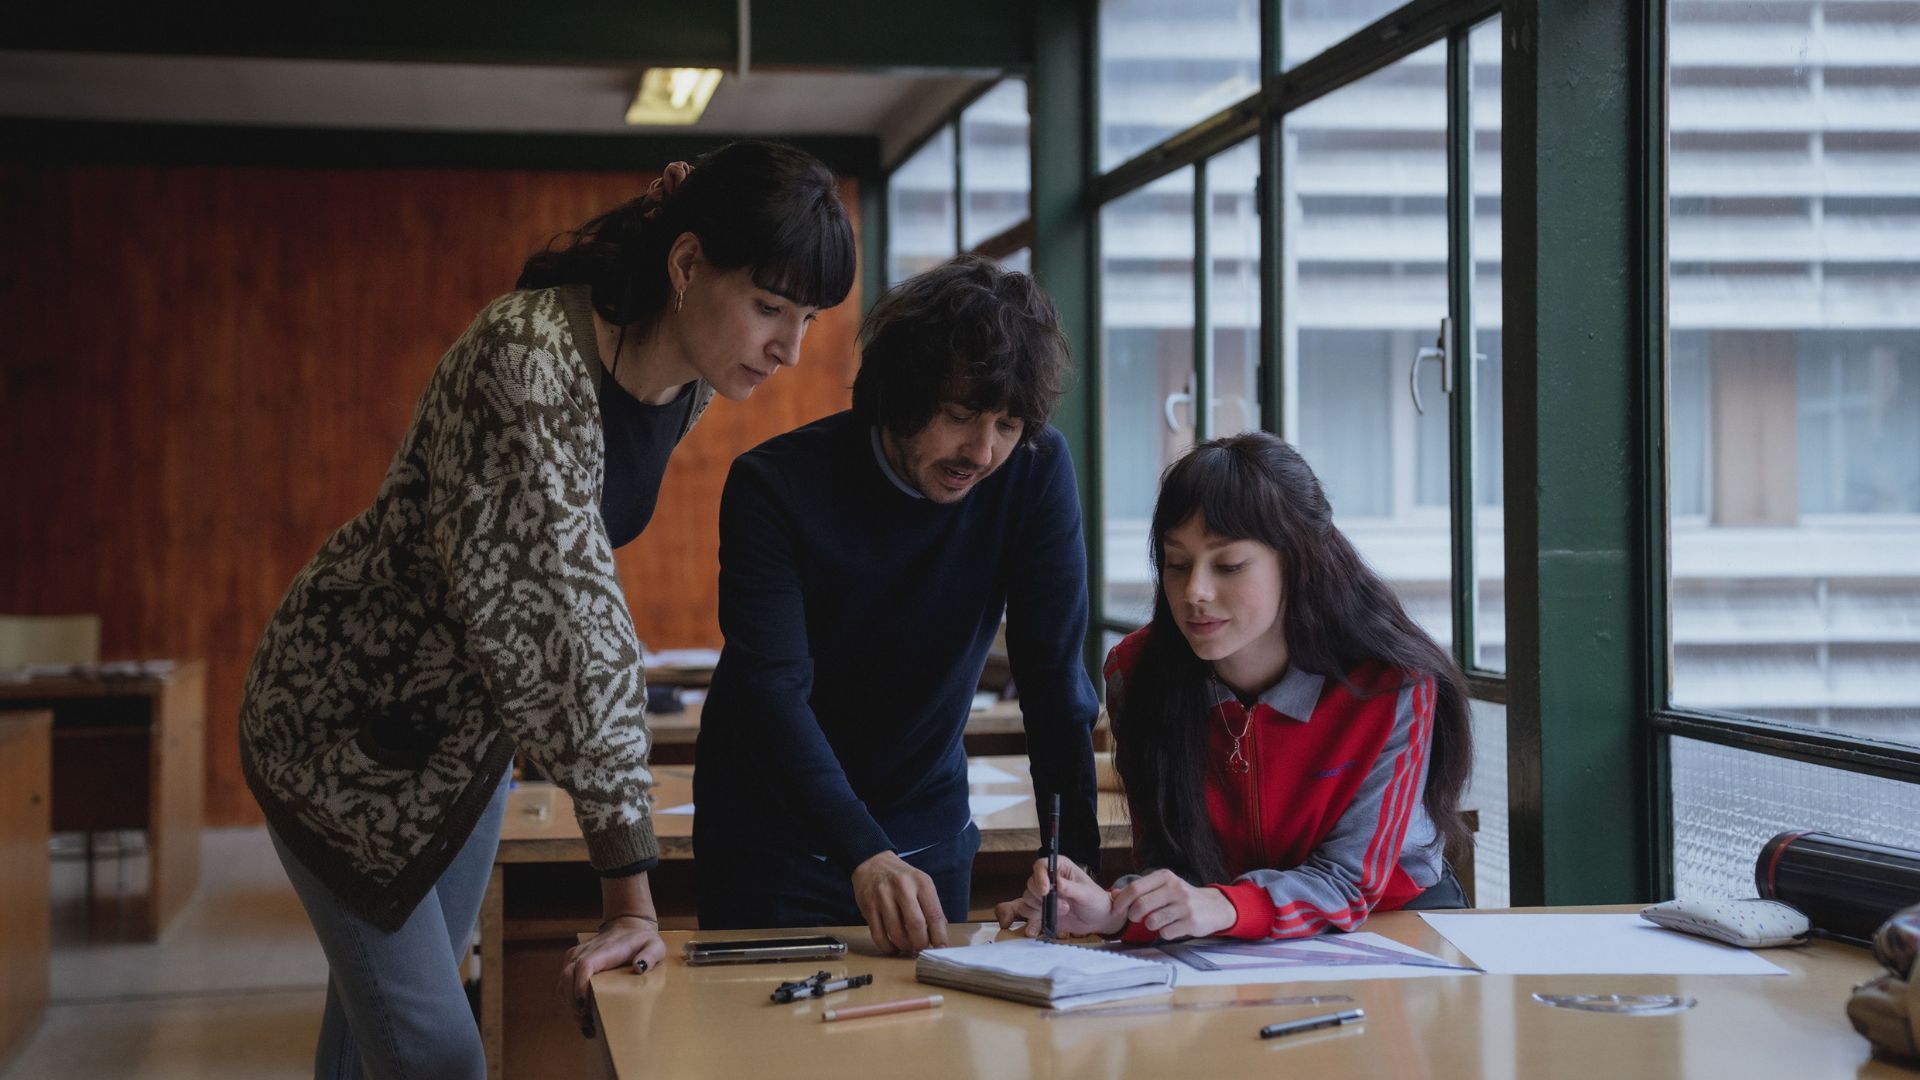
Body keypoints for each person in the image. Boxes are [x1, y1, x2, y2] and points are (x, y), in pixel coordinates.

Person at [239, 140, 854, 1078]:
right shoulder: (527, 360)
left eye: (808, 316)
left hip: (462, 734)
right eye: (770, 307)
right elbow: (567, 613)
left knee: (377, 1039)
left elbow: (568, 588)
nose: (791, 347)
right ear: (686, 265)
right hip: (343, 730)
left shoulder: (683, 382)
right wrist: (630, 898)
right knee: (438, 1054)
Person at [693, 254, 1101, 955]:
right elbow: (773, 692)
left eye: (1007, 424)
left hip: (926, 828)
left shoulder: (1033, 471)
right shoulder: (776, 486)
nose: (982, 450)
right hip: (772, 834)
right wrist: (862, 853)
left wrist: (1076, 870)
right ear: (900, 395)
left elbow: (1054, 682)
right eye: (960, 415)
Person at [997, 432, 1472, 942]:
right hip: (1235, 936)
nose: (1194, 592)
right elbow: (1172, 867)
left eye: (1228, 566)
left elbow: (1349, 882)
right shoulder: (1137, 675)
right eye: (1177, 564)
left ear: (1299, 561)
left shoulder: (1389, 683)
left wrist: (1222, 905)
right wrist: (1112, 908)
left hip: (1395, 925)